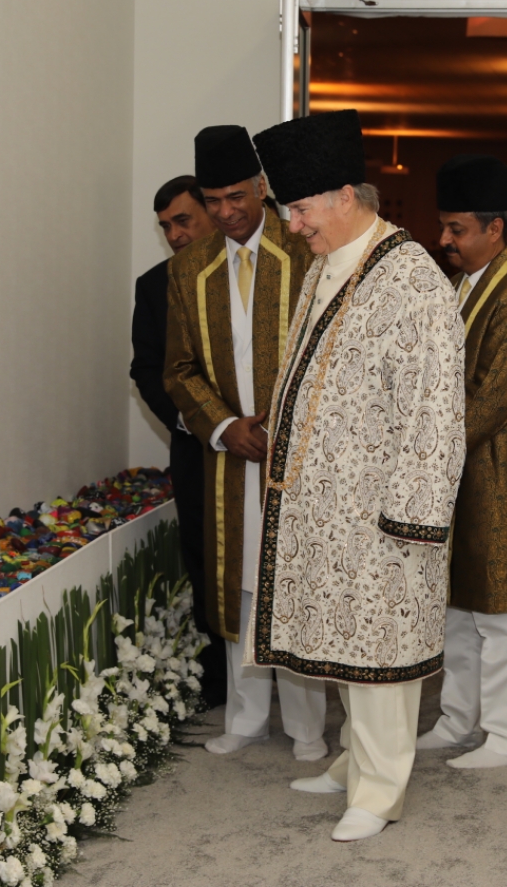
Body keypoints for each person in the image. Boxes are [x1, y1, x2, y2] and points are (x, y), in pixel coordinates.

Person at [249, 109, 465, 841]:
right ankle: (351, 761)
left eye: (301, 210)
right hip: (321, 506)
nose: (294, 226)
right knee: (344, 645)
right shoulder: (327, 267)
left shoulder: (412, 279)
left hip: (379, 514)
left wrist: (414, 518)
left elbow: (437, 412)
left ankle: (380, 789)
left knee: (378, 653)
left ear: (346, 195)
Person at [164, 125, 326, 758]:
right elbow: (178, 369)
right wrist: (228, 428)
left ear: (262, 187)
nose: (227, 211)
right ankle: (245, 718)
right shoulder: (189, 267)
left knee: (295, 581)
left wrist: (285, 423)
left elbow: (330, 353)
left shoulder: (305, 248)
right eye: (214, 200)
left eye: (237, 195)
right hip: (233, 457)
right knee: (242, 582)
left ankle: (308, 726)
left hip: (299, 452)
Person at [414, 154, 507, 768]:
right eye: (443, 228)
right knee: (458, 606)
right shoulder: (463, 285)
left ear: (495, 229)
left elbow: (492, 397)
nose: (444, 240)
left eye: (457, 229)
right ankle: (457, 719)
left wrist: (421, 452)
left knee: (501, 607)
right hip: (460, 469)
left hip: (503, 471)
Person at [129, 175, 226, 707]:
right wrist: (195, 424)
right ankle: (222, 678)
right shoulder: (154, 284)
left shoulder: (258, 274)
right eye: (165, 226)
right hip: (196, 449)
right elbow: (146, 370)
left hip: (265, 442)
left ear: (212, 212)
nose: (173, 234)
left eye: (183, 220)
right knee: (204, 558)